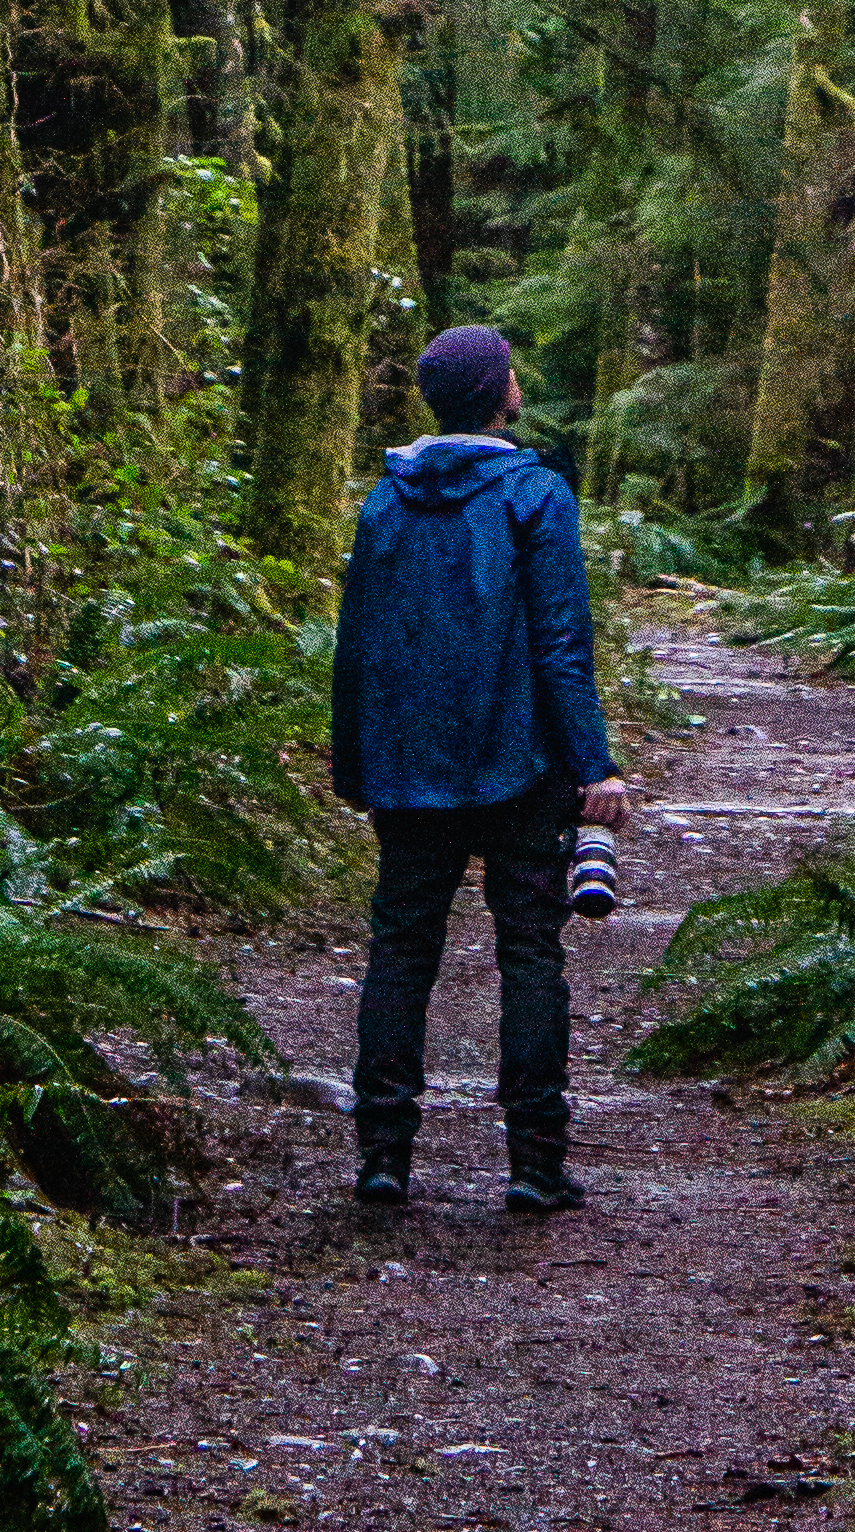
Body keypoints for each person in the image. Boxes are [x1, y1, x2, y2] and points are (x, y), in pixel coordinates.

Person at [327, 321, 627, 1214]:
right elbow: (562, 644)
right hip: (520, 765)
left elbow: (358, 646)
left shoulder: (386, 500)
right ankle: (536, 1166)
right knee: (530, 951)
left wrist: (359, 761)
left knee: (401, 949)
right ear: (505, 393)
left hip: (407, 766)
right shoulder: (535, 494)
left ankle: (382, 1157)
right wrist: (595, 766)